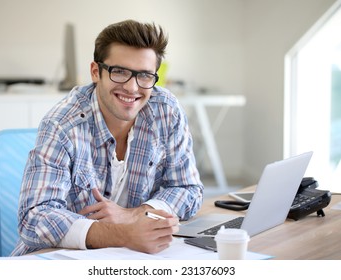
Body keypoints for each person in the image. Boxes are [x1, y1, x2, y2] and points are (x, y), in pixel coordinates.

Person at [12, 19, 204, 256]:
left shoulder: (166, 111)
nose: (132, 88)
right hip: (58, 257)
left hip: (132, 257)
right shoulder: (62, 124)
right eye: (120, 72)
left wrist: (135, 214)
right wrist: (125, 234)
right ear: (96, 72)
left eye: (144, 75)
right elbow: (34, 217)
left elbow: (188, 188)